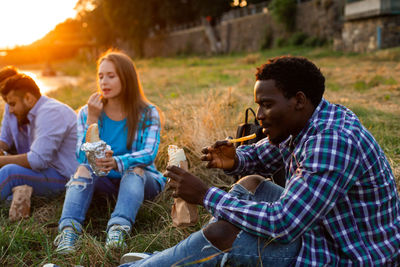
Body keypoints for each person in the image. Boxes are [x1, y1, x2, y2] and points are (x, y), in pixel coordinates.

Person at [120, 56, 400, 266]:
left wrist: (205, 194)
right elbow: (265, 153)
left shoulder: (332, 141)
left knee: (224, 234)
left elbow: (283, 223)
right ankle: (175, 258)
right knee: (252, 184)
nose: (259, 116)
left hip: (346, 255)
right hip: (322, 230)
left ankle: (161, 262)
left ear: (298, 100)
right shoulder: (313, 118)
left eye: (266, 104)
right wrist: (234, 160)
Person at [54, 50, 166, 254]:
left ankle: (118, 229)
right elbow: (81, 157)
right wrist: (92, 121)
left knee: (135, 170)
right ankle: (68, 232)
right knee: (83, 170)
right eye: (100, 76)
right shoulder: (87, 112)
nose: (104, 82)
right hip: (104, 180)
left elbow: (149, 153)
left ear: (127, 78)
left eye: (111, 76)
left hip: (142, 182)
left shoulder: (148, 112)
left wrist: (117, 162)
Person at [0, 67, 78, 214]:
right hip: (51, 171)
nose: (9, 110)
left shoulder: (50, 112)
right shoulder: (34, 112)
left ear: (29, 98)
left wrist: (2, 160)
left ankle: (14, 198)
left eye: (12, 104)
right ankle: (14, 200)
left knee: (10, 173)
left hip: (68, 177)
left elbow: (37, 160)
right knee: (9, 171)